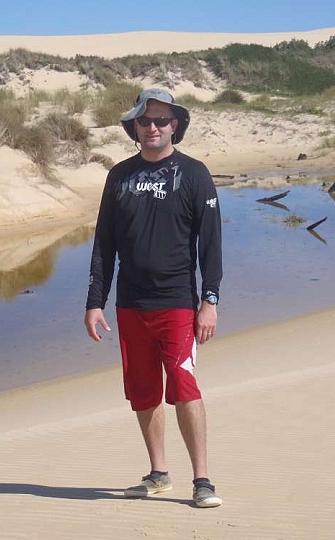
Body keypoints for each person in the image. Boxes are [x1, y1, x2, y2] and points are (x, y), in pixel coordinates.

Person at [84, 88, 223, 508]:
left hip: (179, 302)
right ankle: (158, 473)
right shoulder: (119, 176)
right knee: (143, 391)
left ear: (175, 125)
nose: (154, 127)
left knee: (184, 386)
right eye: (146, 121)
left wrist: (210, 300)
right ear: (135, 127)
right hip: (130, 305)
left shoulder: (195, 174)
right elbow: (103, 244)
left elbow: (211, 244)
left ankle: (202, 480)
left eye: (162, 120)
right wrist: (95, 301)